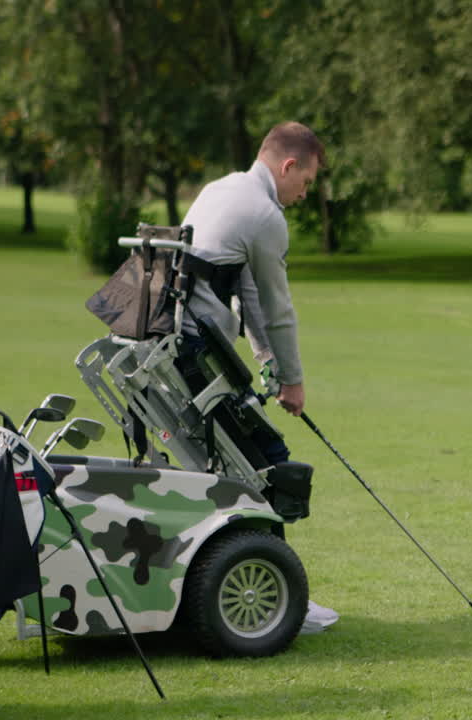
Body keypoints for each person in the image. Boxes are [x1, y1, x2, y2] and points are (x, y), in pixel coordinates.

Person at [179, 121, 338, 634]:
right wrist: (293, 382)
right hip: (195, 355)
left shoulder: (221, 189)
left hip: (175, 347)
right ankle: (281, 598)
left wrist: (265, 355)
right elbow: (278, 307)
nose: (304, 193)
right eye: (306, 181)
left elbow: (245, 289)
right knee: (268, 461)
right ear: (288, 166)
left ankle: (259, 584)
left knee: (241, 463)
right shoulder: (266, 214)